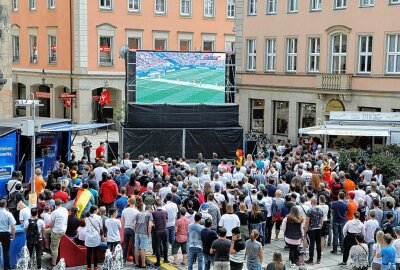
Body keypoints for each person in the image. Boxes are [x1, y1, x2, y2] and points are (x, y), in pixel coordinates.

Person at [44, 198, 68, 267]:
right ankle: (47, 247)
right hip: (63, 229)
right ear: (61, 203)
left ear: (55, 204)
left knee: (54, 248)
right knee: (45, 232)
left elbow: (51, 225)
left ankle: (53, 264)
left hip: (57, 231)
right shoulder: (65, 210)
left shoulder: (54, 212)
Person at [133, 197, 153, 268]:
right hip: (144, 233)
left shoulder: (139, 213)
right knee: (142, 248)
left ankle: (137, 263)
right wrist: (149, 234)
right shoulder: (149, 215)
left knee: (136, 247)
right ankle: (143, 264)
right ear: (149, 209)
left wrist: (135, 231)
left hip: (137, 232)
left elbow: (134, 224)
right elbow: (150, 225)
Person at [305, 198, 324, 265]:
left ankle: (311, 259)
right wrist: (320, 226)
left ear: (311, 203)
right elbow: (322, 219)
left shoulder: (309, 211)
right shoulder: (320, 210)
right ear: (317, 202)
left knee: (311, 244)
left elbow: (307, 221)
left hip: (311, 229)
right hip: (318, 229)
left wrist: (305, 229)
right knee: (318, 244)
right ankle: (319, 259)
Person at [85, 205, 104, 270]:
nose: (98, 210)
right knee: (95, 252)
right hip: (96, 236)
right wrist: (102, 236)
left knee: (89, 252)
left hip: (88, 236)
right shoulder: (98, 217)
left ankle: (89, 267)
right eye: (97, 209)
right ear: (95, 210)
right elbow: (101, 228)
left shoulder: (87, 217)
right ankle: (95, 266)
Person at [121, 197, 139, 263]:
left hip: (126, 228)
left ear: (129, 202)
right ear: (135, 202)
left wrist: (123, 227)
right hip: (133, 229)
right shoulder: (137, 211)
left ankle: (124, 259)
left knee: (125, 245)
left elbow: (122, 220)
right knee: (134, 245)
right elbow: (137, 222)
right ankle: (134, 260)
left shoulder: (124, 210)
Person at [0, 199, 16, 270]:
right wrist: (13, 236)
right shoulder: (8, 214)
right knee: (6, 251)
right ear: (5, 205)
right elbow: (13, 227)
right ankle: (7, 268)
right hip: (5, 234)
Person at [152, 199, 169, 267]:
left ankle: (158, 262)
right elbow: (167, 220)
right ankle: (165, 259)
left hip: (157, 231)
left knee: (158, 246)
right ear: (161, 205)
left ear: (155, 205)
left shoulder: (153, 213)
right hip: (164, 230)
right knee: (165, 245)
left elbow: (152, 222)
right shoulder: (165, 212)